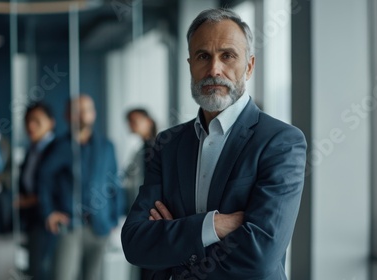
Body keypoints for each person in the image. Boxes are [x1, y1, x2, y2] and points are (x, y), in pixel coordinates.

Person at [121, 8, 307, 280]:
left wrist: (177, 241)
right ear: (190, 65)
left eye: (228, 56)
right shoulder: (168, 144)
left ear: (250, 66)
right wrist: (214, 226)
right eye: (202, 56)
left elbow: (260, 257)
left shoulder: (281, 142)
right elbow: (135, 243)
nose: (214, 69)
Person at [38, 94, 125, 280]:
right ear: (67, 115)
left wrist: (114, 218)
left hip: (100, 227)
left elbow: (114, 183)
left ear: (93, 114)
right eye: (76, 111)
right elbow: (43, 180)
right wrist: (49, 212)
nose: (82, 115)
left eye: (86, 110)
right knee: (62, 276)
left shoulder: (106, 146)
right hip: (70, 226)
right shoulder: (58, 147)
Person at [16, 103, 58, 280]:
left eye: (36, 121)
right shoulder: (31, 149)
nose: (30, 126)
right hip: (32, 219)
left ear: (51, 123)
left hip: (50, 220)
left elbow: (59, 187)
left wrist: (31, 200)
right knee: (35, 269)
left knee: (44, 270)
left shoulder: (58, 149)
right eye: (27, 121)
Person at [124, 108, 158, 208]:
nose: (131, 124)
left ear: (149, 122)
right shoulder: (140, 151)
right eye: (129, 121)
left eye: (135, 120)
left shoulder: (157, 147)